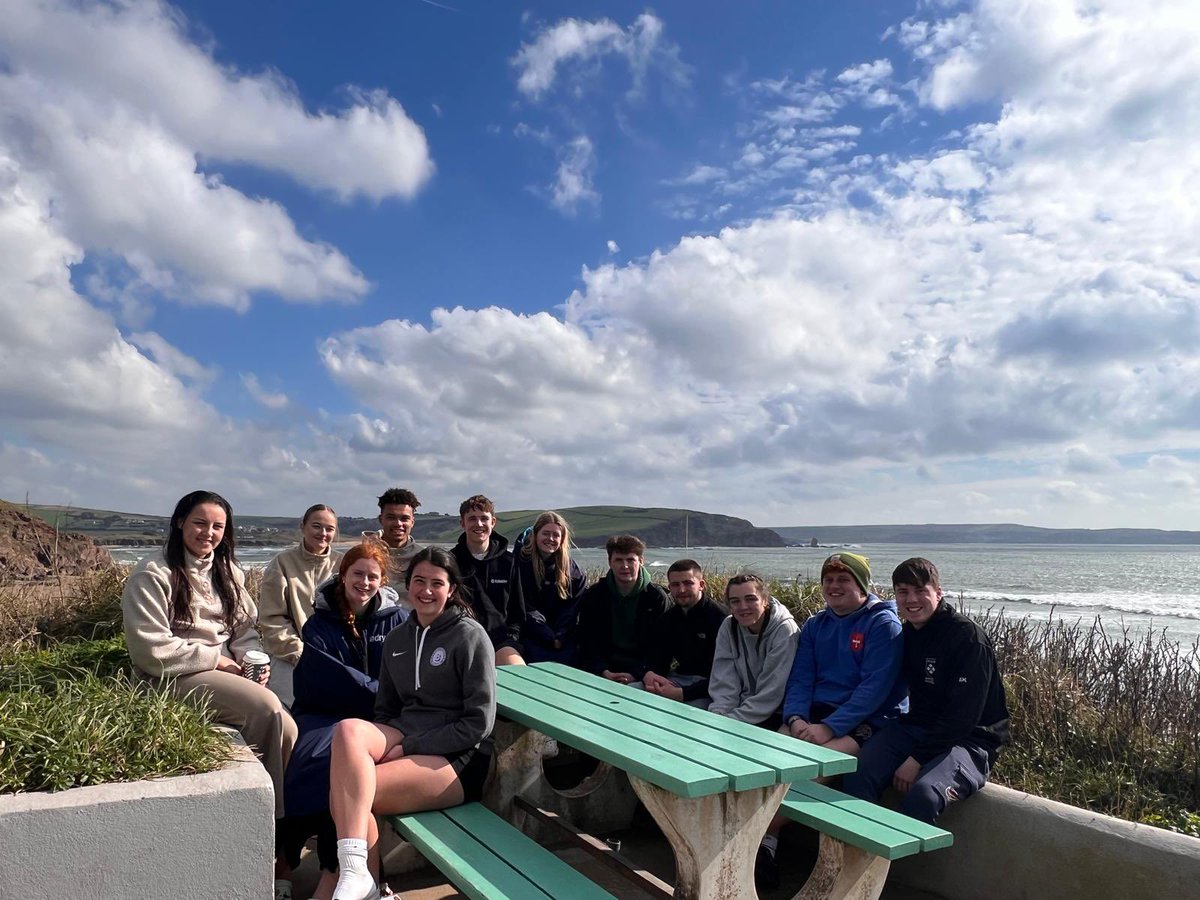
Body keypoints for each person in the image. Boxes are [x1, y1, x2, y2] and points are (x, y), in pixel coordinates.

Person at [122, 490, 298, 897]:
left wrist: (250, 656)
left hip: (223, 669)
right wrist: (216, 660)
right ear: (180, 522)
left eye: (218, 526)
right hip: (170, 676)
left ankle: (271, 817)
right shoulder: (153, 573)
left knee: (289, 729)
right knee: (268, 708)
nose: (209, 533)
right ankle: (274, 836)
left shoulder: (228, 571)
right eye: (200, 523)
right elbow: (149, 649)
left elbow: (244, 630)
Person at [328, 547, 496, 900]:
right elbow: (386, 710)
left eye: (437, 583)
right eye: (419, 581)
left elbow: (478, 723)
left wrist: (408, 748)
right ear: (408, 585)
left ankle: (367, 884)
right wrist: (388, 748)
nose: (426, 590)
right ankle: (358, 875)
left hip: (461, 755)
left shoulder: (470, 635)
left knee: (355, 793)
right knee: (347, 730)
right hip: (407, 732)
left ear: (451, 589)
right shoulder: (398, 638)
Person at [757, 552, 905, 889]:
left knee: (811, 775)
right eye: (828, 580)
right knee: (769, 765)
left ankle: (752, 838)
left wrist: (830, 728)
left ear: (862, 585)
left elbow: (873, 690)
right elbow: (801, 678)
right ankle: (766, 847)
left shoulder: (883, 624)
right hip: (813, 716)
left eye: (843, 580)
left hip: (865, 720)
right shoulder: (816, 624)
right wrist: (796, 718)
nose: (834, 586)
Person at [280, 539, 407, 900]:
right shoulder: (318, 624)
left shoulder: (398, 621)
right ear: (343, 575)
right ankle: (289, 862)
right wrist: (379, 691)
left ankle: (335, 875)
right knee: (312, 763)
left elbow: (403, 672)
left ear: (382, 581)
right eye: (357, 574)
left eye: (372, 577)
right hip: (324, 712)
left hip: (376, 716)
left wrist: (383, 699)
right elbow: (327, 679)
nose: (364, 583)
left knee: (347, 767)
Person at [844, 558, 1011, 824]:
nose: (911, 599)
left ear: (938, 592)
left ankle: (897, 852)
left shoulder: (967, 638)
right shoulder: (907, 634)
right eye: (903, 592)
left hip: (970, 740)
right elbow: (880, 685)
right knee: (857, 772)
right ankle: (859, 846)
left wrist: (916, 760)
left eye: (921, 590)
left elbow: (963, 717)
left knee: (924, 794)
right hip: (916, 728)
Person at [258, 504, 343, 707]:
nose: (323, 533)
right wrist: (301, 654)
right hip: (289, 655)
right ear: (302, 526)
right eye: (316, 526)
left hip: (336, 658)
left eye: (329, 529)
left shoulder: (344, 564)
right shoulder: (282, 563)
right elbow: (271, 620)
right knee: (288, 711)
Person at [706, 572, 799, 728]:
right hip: (740, 709)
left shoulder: (784, 630)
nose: (743, 607)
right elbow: (724, 680)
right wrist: (719, 715)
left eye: (751, 599)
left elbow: (771, 692)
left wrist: (731, 720)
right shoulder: (729, 626)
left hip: (776, 711)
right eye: (735, 601)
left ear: (765, 600)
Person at [578, 534, 672, 683]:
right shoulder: (594, 595)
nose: (625, 566)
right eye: (619, 560)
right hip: (602, 670)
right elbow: (587, 639)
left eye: (630, 560)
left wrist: (637, 675)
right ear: (610, 562)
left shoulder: (657, 597)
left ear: (641, 561)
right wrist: (603, 671)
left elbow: (662, 647)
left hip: (644, 673)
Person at [449, 495, 525, 666]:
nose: (479, 524)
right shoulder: (449, 562)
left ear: (493, 522)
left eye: (484, 518)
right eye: (472, 519)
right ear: (462, 523)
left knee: (518, 671)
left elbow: (517, 611)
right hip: (460, 639)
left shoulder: (509, 562)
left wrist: (512, 636)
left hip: (501, 642)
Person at [641, 559, 726, 706]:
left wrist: (683, 694)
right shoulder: (668, 619)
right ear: (669, 587)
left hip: (710, 687)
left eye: (688, 583)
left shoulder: (721, 619)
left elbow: (726, 675)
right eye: (675, 585)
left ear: (701, 585)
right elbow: (657, 658)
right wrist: (650, 674)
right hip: (677, 679)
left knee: (688, 711)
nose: (681, 590)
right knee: (633, 691)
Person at [512, 511, 588, 665]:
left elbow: (573, 608)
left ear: (562, 539)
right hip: (529, 632)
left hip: (562, 636)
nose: (551, 539)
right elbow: (521, 604)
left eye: (556, 535)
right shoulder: (519, 564)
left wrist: (560, 635)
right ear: (535, 535)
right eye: (545, 533)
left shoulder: (574, 571)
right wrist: (546, 634)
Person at [374, 487, 423, 586]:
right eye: (391, 518)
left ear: (412, 522)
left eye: (404, 518)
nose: (398, 524)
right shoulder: (364, 554)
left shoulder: (424, 557)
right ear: (381, 519)